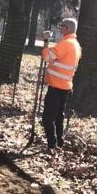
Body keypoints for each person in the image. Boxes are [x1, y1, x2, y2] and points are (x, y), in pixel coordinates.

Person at [39, 18, 82, 149]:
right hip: (66, 87)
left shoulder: (66, 44)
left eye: (62, 26)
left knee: (47, 119)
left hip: (56, 87)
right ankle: (59, 143)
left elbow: (47, 57)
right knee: (58, 117)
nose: (60, 28)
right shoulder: (76, 45)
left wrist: (46, 41)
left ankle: (52, 145)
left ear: (67, 28)